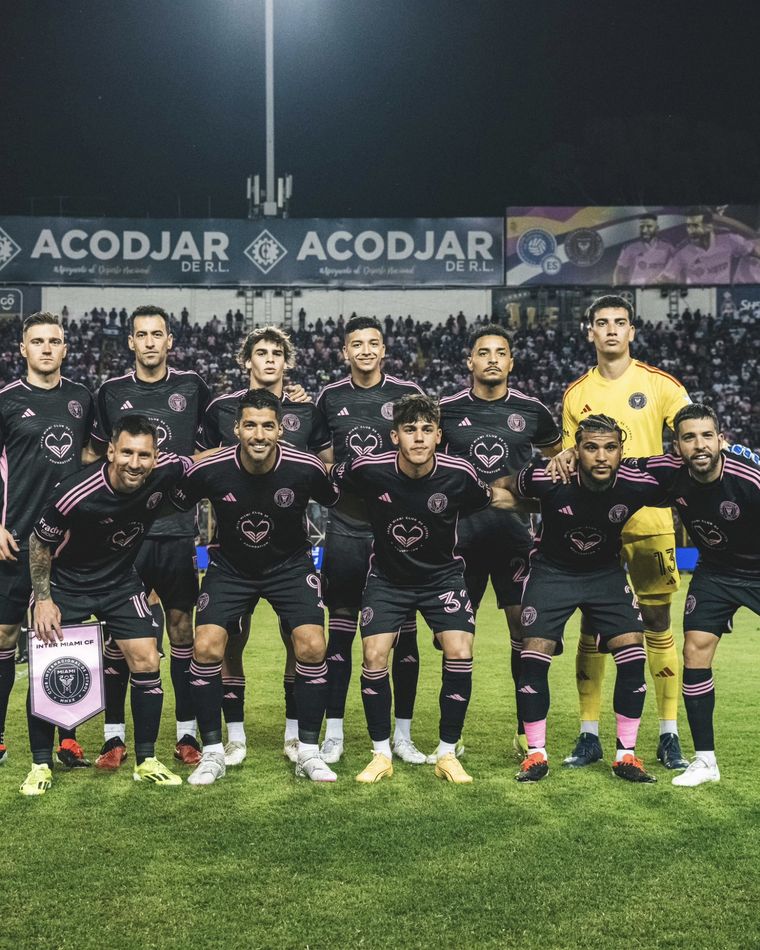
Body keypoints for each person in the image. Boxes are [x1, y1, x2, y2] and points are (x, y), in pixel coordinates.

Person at [331, 394, 521, 785]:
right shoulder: (368, 468)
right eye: (409, 430)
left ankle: (447, 753)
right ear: (395, 436)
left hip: (442, 578)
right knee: (373, 655)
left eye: (426, 430)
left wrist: (547, 499)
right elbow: (325, 477)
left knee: (459, 649)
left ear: (438, 436)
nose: (418, 438)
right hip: (387, 578)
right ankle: (381, 753)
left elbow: (495, 499)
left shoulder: (460, 473)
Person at [170, 389, 340, 785]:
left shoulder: (306, 467)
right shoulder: (211, 468)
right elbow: (174, 502)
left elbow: (338, 498)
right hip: (231, 567)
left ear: (281, 430)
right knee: (206, 646)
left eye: (267, 426)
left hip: (289, 565)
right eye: (250, 425)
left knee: (313, 645)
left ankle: (309, 752)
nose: (258, 434)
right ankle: (213, 753)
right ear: (236, 429)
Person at [22, 415, 191, 795]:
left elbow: (202, 460)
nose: (135, 463)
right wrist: (44, 600)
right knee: (49, 668)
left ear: (155, 456)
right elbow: (39, 542)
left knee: (147, 658)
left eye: (144, 454)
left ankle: (146, 760)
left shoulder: (166, 471)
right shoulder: (75, 492)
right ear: (110, 451)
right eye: (127, 452)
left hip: (119, 581)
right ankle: (39, 764)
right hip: (67, 584)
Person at [557, 294, 691, 770]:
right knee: (593, 627)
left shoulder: (660, 386)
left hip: (651, 525)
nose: (611, 330)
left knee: (657, 622)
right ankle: (589, 734)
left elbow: (692, 437)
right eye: (602, 323)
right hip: (595, 530)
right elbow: (569, 458)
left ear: (632, 331)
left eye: (620, 322)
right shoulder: (576, 394)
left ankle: (669, 734)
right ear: (589, 331)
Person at [507, 415, 667, 784]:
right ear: (576, 450)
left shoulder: (635, 482)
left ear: (621, 451)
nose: (600, 456)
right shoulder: (550, 477)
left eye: (610, 447)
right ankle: (536, 755)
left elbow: (682, 480)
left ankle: (626, 756)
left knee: (633, 656)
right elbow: (506, 487)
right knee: (533, 656)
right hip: (552, 573)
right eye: (590, 447)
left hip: (605, 575)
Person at [200, 326, 329, 767]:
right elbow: (199, 465)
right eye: (261, 352)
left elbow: (325, 471)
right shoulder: (220, 408)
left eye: (278, 353)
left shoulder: (308, 410)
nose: (270, 360)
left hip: (290, 545)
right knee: (228, 640)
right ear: (246, 360)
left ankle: (298, 736)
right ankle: (231, 737)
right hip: (233, 546)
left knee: (302, 641)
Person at [89, 305, 210, 769]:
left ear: (169, 341)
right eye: (142, 335)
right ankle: (113, 737)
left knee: (182, 631)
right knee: (120, 637)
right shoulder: (111, 391)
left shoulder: (193, 386)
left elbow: (228, 430)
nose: (151, 342)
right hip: (123, 536)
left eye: (158, 334)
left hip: (178, 531)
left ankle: (185, 736)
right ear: (131, 343)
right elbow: (93, 454)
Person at [439, 324, 561, 758]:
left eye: (501, 352)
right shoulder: (445, 411)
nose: (492, 359)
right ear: (470, 361)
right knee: (456, 641)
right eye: (483, 352)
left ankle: (526, 732)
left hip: (515, 542)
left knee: (524, 633)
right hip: (459, 544)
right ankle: (450, 739)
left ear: (511, 362)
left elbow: (557, 468)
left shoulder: (533, 411)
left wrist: (537, 508)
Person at [315, 316, 425, 766]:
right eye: (356, 344)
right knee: (339, 632)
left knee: (403, 635)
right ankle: (335, 732)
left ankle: (402, 735)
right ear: (345, 352)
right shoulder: (329, 397)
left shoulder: (407, 394)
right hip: (344, 528)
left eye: (372, 343)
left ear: (384, 350)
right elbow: (323, 459)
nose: (364, 351)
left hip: (395, 533)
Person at [636, 405, 760, 787]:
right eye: (689, 437)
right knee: (695, 650)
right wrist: (570, 453)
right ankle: (705, 761)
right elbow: (618, 465)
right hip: (717, 571)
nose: (699, 445)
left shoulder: (750, 477)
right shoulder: (670, 473)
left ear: (722, 440)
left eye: (707, 436)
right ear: (678, 445)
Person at [0, 312, 94, 769]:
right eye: (37, 341)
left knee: (62, 636)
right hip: (13, 539)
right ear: (23, 349)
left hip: (66, 543)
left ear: (65, 348)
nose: (46, 348)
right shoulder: (6, 400)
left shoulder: (82, 398)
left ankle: (68, 738)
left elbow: (96, 457)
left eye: (54, 341)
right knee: (3, 635)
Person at [660, 207, 760, 285]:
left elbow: (753, 250)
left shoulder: (729, 239)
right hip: (699, 298)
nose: (690, 231)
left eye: (695, 226)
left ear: (709, 226)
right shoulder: (682, 252)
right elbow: (666, 277)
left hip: (724, 292)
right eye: (688, 226)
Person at [613, 213, 673, 286]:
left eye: (649, 226)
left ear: (657, 229)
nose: (645, 230)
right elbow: (619, 270)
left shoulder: (667, 247)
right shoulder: (630, 248)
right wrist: (617, 288)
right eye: (642, 227)